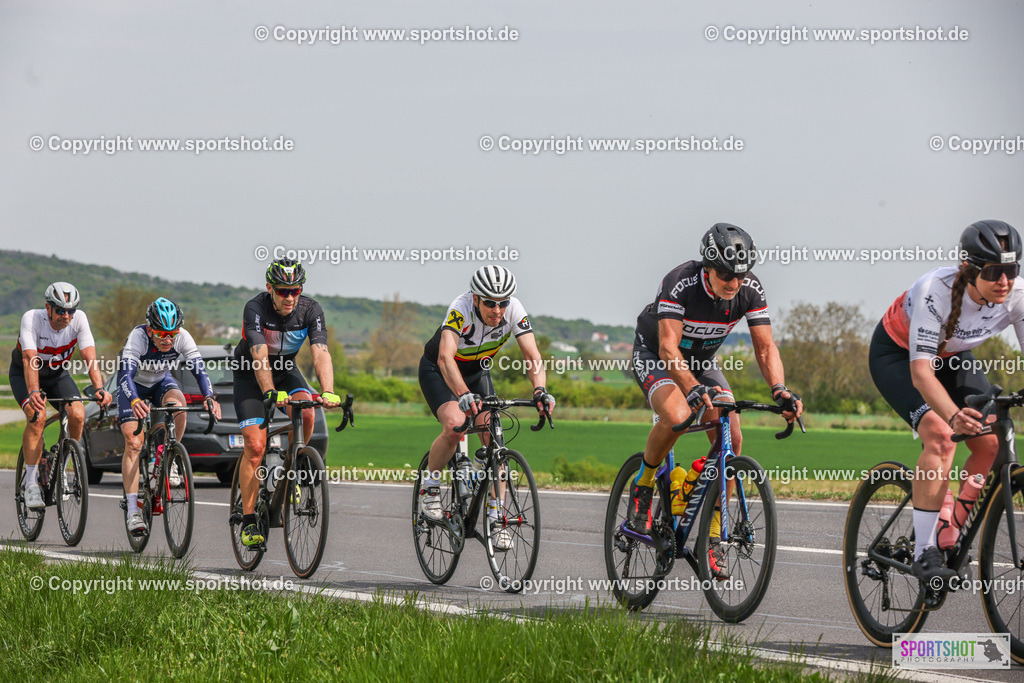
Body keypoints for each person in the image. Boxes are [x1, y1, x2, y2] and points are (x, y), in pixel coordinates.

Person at [628, 223, 802, 579]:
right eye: (724, 274)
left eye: (739, 274)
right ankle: (643, 486)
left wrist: (780, 389)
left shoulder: (749, 289)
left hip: (701, 362)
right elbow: (668, 347)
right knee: (679, 414)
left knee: (731, 439)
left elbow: (766, 347)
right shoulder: (680, 281)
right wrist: (691, 388)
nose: (733, 282)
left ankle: (712, 539)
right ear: (707, 265)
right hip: (657, 355)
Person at [869, 220, 1024, 585]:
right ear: (970, 270)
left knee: (990, 442)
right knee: (940, 435)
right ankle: (925, 550)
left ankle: (951, 526)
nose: (1005, 280)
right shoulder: (933, 290)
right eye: (994, 271)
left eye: (1012, 270)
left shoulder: (1017, 294)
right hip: (897, 354)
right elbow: (922, 374)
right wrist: (953, 415)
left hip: (955, 356)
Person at [417, 265, 555, 550]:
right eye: (490, 302)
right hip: (440, 370)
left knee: (495, 437)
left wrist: (540, 390)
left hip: (478, 372)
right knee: (456, 425)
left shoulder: (514, 309)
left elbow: (533, 355)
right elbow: (445, 358)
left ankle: (496, 516)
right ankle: (429, 487)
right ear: (476, 298)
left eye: (503, 303)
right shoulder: (461, 307)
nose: (498, 309)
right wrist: (463, 394)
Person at [233, 258, 342, 547]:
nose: (290, 297)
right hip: (251, 375)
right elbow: (258, 354)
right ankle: (248, 520)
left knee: (307, 413)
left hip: (287, 372)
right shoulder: (255, 308)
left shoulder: (311, 310)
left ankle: (293, 468)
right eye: (282, 291)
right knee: (255, 447)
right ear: (270, 288)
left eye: (295, 290)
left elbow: (320, 352)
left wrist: (328, 390)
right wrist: (269, 390)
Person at [117, 297, 222, 534]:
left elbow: (200, 370)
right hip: (132, 385)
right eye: (161, 333)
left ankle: (168, 456)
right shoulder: (138, 337)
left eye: (172, 333)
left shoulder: (182, 337)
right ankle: (133, 510)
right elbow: (124, 375)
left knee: (179, 405)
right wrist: (134, 400)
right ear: (150, 329)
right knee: (134, 443)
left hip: (160, 381)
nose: (167, 339)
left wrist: (209, 397)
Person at [11, 282, 112, 509]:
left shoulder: (79, 320)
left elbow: (90, 357)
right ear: (48, 308)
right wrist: (34, 392)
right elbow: (29, 359)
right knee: (37, 417)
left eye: (71, 311)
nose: (66, 315)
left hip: (57, 375)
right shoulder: (32, 319)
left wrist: (99, 388)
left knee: (77, 413)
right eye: (60, 310)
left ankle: (62, 466)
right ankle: (30, 485)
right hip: (25, 373)